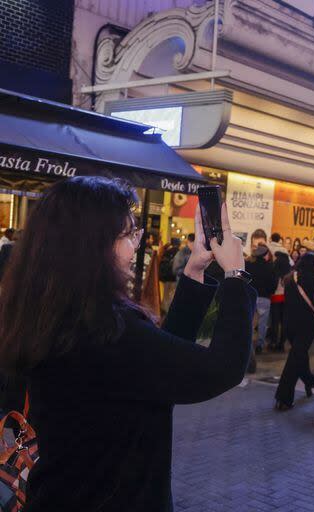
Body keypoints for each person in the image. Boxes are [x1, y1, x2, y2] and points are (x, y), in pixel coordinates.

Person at [0, 177, 255, 510]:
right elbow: (219, 369)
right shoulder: (107, 330)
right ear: (92, 245)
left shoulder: (48, 311)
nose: (136, 246)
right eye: (128, 234)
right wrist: (235, 275)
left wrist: (194, 271)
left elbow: (159, 363)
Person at [274, 252, 314, 409]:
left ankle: (309, 381)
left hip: (289, 323)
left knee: (299, 354)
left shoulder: (290, 279)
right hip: (306, 325)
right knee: (294, 359)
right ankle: (284, 398)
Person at [246, 244, 278, 354]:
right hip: (265, 298)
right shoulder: (270, 267)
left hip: (251, 296)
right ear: (265, 255)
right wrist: (270, 292)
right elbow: (274, 284)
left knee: (249, 321)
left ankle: (247, 344)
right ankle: (260, 345)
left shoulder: (249, 265)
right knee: (262, 323)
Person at [269, 251, 292, 352]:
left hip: (275, 298)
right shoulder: (289, 274)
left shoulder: (275, 271)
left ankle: (273, 341)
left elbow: (272, 286)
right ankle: (282, 342)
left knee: (274, 321)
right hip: (286, 299)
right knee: (284, 322)